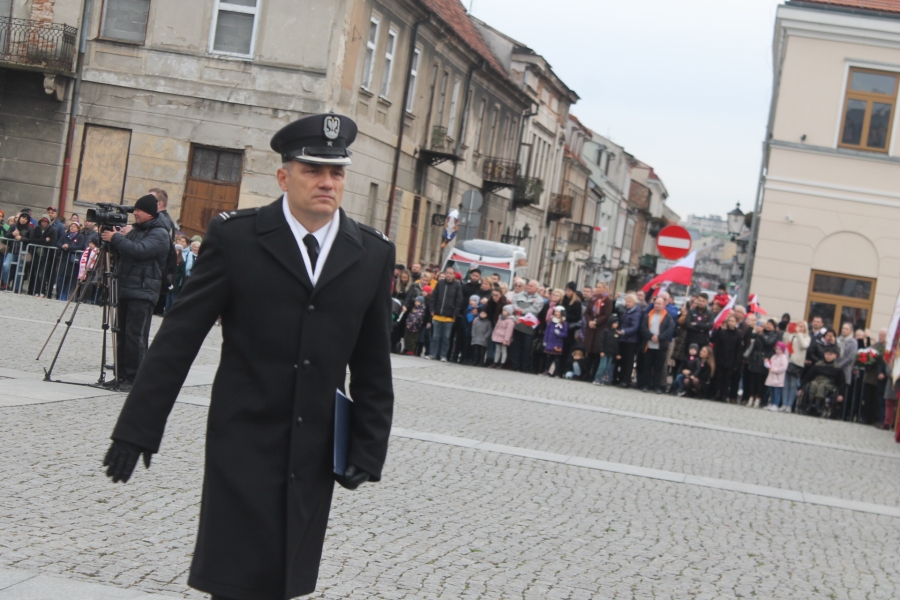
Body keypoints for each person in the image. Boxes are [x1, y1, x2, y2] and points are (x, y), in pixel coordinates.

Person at [103, 114, 395, 600]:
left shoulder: (371, 253)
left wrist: (367, 447)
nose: (327, 182)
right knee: (234, 577)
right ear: (283, 176)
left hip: (314, 445)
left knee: (283, 578)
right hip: (242, 437)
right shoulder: (238, 238)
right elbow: (179, 338)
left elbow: (372, 364)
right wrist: (137, 428)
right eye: (313, 170)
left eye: (336, 172)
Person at [97, 195, 170, 389]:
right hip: (127, 288)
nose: (135, 213)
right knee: (121, 334)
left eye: (138, 210)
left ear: (150, 213)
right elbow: (124, 250)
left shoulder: (160, 233)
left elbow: (139, 250)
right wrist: (111, 239)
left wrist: (116, 238)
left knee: (135, 336)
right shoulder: (137, 230)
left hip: (143, 291)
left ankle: (135, 379)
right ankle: (121, 376)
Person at [640, 296, 675, 393]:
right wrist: (650, 336)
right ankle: (646, 385)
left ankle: (656, 386)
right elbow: (643, 328)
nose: (657, 305)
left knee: (658, 368)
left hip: (661, 346)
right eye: (656, 303)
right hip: (648, 345)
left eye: (659, 304)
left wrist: (659, 337)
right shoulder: (648, 315)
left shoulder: (668, 317)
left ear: (664, 305)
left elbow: (670, 330)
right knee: (647, 366)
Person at [799, 345, 846, 417]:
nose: (828, 356)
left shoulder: (837, 368)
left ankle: (818, 404)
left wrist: (840, 394)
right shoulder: (818, 364)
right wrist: (801, 387)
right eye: (826, 354)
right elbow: (808, 376)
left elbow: (842, 382)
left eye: (830, 354)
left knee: (822, 386)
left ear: (834, 356)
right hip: (817, 381)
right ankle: (810, 403)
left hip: (829, 384)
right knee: (813, 384)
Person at [428, 265, 462, 361]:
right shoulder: (440, 283)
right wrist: (432, 309)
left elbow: (459, 300)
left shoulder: (457, 285)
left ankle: (443, 355)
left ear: (454, 275)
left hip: (449, 316)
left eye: (451, 273)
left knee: (446, 338)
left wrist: (455, 312)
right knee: (435, 337)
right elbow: (433, 297)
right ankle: (432, 354)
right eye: (447, 273)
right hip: (438, 314)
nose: (448, 275)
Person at [509, 279, 543, 373]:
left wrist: (522, 310)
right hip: (518, 324)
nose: (529, 287)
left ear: (536, 288)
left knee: (526, 348)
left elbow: (535, 310)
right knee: (516, 346)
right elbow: (513, 304)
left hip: (528, 326)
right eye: (528, 285)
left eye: (531, 286)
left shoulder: (539, 299)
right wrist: (517, 309)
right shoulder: (519, 295)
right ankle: (515, 365)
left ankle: (524, 367)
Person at [582, 282, 614, 381]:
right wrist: (589, 321)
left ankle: (594, 375)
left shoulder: (608, 301)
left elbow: (606, 315)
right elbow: (587, 313)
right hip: (590, 329)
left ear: (604, 289)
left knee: (596, 353)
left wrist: (596, 322)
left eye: (600, 287)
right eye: (597, 287)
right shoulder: (593, 299)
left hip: (600, 328)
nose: (598, 289)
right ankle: (586, 374)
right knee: (589, 352)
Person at [711, 314, 743, 403]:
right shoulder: (722, 333)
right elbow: (717, 346)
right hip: (721, 358)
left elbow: (739, 350)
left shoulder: (738, 335)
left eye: (733, 321)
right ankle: (718, 394)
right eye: (729, 321)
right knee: (719, 377)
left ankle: (724, 395)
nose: (731, 323)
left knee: (727, 379)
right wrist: (716, 357)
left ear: (736, 323)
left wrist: (737, 363)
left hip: (731, 360)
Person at [56, 221, 87, 301]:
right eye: (71, 226)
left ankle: (65, 296)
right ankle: (60, 294)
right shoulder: (65, 235)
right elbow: (58, 243)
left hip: (73, 261)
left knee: (69, 280)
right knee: (60, 278)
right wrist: (63, 246)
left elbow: (80, 246)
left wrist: (68, 247)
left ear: (77, 228)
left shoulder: (80, 236)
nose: (72, 228)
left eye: (74, 227)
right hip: (64, 260)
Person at [616, 292, 642, 387]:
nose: (627, 303)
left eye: (629, 301)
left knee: (628, 361)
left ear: (634, 302)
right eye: (626, 301)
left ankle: (626, 380)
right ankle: (621, 378)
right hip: (623, 338)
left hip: (631, 340)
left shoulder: (636, 313)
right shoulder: (627, 311)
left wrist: (624, 331)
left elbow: (635, 327)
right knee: (623, 360)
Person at [784, 321, 810, 413]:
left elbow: (804, 345)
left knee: (793, 385)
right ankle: (784, 404)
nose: (799, 327)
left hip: (797, 363)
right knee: (786, 384)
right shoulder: (792, 336)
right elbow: (785, 343)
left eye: (801, 326)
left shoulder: (806, 337)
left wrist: (799, 334)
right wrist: (787, 332)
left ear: (805, 328)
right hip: (788, 361)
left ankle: (789, 405)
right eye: (798, 326)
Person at [593, 314, 620, 385]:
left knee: (607, 367)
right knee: (603, 366)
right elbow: (601, 341)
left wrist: (617, 353)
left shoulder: (616, 333)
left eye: (617, 323)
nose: (616, 325)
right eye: (615, 323)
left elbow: (616, 344)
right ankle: (597, 378)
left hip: (611, 353)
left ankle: (603, 378)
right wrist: (601, 350)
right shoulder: (605, 331)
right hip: (604, 352)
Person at [541, 305, 568, 377]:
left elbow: (565, 334)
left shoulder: (564, 323)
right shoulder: (551, 321)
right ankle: (546, 371)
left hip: (557, 344)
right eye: (555, 311)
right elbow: (547, 332)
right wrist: (545, 340)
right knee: (549, 357)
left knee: (557, 359)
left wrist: (559, 333)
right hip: (550, 343)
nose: (556, 313)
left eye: (558, 312)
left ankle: (556, 372)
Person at [836, 322, 857, 404]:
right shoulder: (837, 339)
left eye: (846, 329)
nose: (844, 330)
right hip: (835, 367)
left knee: (843, 391)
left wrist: (839, 365)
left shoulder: (853, 342)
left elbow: (851, 357)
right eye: (843, 328)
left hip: (845, 368)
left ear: (851, 331)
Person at [764, 342, 790, 411]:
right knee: (771, 391)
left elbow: (783, 368)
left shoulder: (784, 358)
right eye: (776, 348)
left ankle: (775, 404)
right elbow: (770, 365)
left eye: (779, 349)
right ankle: (771, 403)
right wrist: (767, 363)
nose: (777, 350)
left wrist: (775, 370)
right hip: (771, 376)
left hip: (778, 377)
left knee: (777, 392)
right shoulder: (773, 356)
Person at [491, 304, 516, 369]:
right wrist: (494, 334)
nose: (503, 311)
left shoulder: (510, 320)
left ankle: (502, 363)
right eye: (503, 310)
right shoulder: (500, 318)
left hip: (504, 337)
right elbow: (496, 327)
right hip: (497, 336)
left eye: (505, 310)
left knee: (503, 351)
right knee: (497, 350)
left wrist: (506, 339)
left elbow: (509, 331)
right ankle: (495, 362)